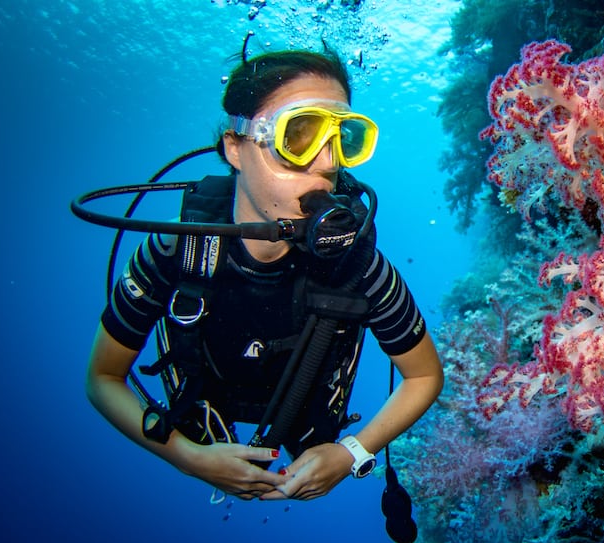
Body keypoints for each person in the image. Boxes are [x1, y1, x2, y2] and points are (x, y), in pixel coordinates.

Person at [85, 49, 443, 503]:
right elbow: (102, 378)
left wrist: (352, 452)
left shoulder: (357, 264)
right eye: (300, 135)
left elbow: (424, 376)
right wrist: (187, 458)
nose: (327, 164)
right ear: (236, 148)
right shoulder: (175, 251)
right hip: (200, 421)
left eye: (343, 139)